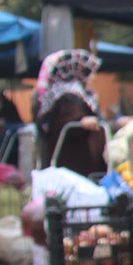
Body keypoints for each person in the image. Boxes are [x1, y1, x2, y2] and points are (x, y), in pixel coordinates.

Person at [34, 49, 107, 178]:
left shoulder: (77, 95)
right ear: (76, 72)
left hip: (78, 161)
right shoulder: (67, 97)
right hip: (74, 162)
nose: (92, 77)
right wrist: (81, 121)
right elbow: (65, 120)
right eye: (88, 72)